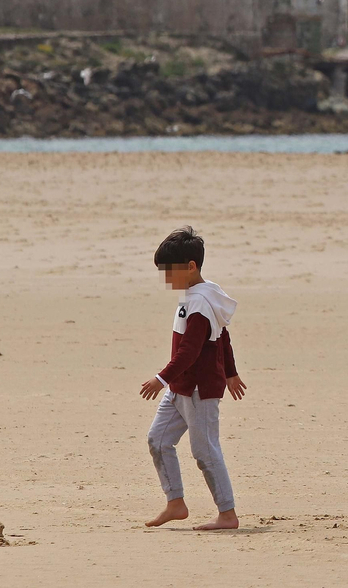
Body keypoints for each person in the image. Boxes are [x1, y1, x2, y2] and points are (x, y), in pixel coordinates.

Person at [139, 226, 247, 531]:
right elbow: (222, 338)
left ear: (190, 266)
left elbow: (191, 350)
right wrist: (231, 372)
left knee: (205, 451)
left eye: (169, 272)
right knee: (159, 440)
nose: (166, 279)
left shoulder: (201, 301)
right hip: (180, 387)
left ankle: (227, 513)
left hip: (198, 389)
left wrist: (160, 378)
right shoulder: (195, 296)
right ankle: (175, 502)